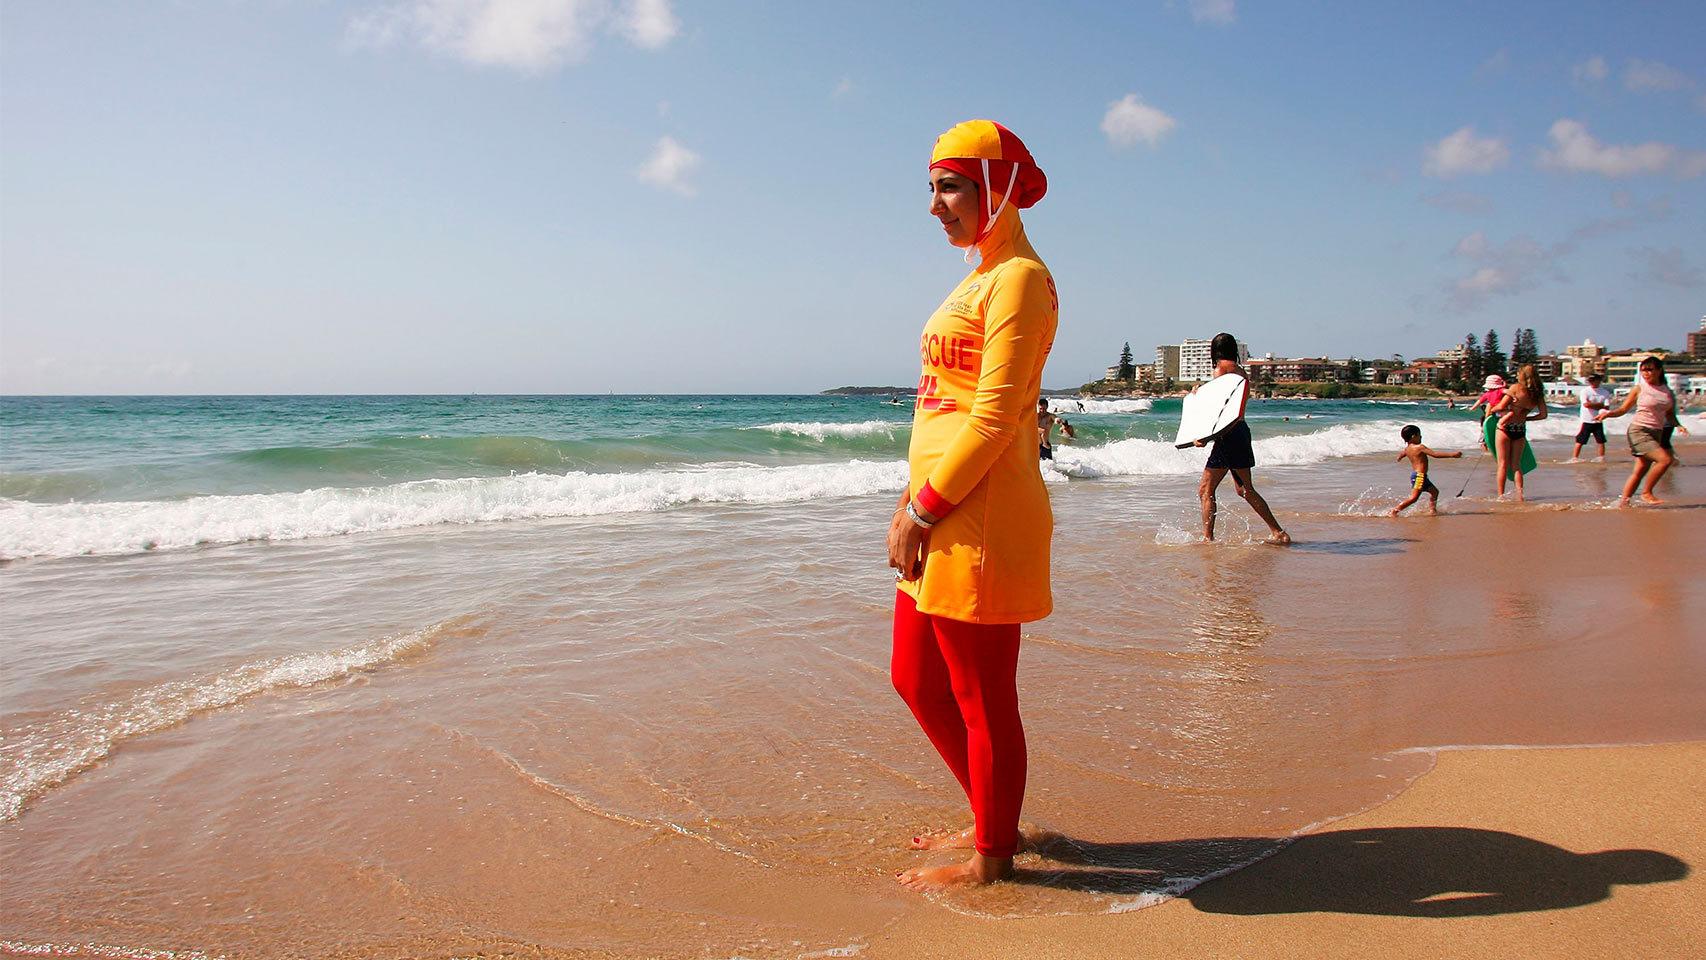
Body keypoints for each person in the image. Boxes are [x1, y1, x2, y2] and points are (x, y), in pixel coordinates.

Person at [887, 119, 1056, 891]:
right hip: (937, 507)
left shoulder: (1020, 278)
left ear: (997, 187)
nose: (935, 205)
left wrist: (922, 511)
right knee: (915, 679)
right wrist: (912, 501)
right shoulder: (977, 276)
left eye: (951, 186)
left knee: (982, 698)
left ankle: (992, 859)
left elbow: (993, 419)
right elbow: (940, 409)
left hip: (979, 516)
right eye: (932, 188)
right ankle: (995, 816)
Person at [1194, 332, 1290, 544]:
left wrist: (1205, 437)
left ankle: (1207, 539)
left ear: (1214, 351)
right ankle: (1278, 532)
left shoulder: (1220, 370)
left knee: (1205, 489)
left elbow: (1221, 410)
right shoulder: (1240, 371)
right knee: (1244, 489)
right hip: (1240, 432)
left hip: (1228, 435)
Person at [1600, 356, 1690, 506]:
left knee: (1640, 469)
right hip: (1639, 431)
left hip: (1657, 433)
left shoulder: (1667, 392)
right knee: (1665, 460)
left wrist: (1678, 425)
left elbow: (1669, 415)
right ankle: (1646, 493)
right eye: (1643, 371)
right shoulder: (1639, 388)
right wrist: (1608, 414)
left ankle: (1623, 502)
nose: (1646, 373)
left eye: (1649, 370)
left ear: (1659, 370)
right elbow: (1623, 409)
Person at [1488, 364, 1548, 502]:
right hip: (1520, 429)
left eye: (1518, 373)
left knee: (1502, 464)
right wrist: (1526, 418)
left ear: (1522, 375)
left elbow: (1501, 406)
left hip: (1505, 428)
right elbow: (1543, 415)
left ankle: (1501, 496)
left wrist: (1492, 409)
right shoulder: (1537, 394)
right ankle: (1520, 495)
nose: (1516, 375)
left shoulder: (1515, 388)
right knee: (1516, 465)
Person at [1389, 424, 1461, 516]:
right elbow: (1435, 454)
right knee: (1414, 498)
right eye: (1419, 435)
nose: (1421, 437)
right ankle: (1394, 511)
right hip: (1420, 476)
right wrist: (1452, 455)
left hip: (1420, 476)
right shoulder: (1420, 447)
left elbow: (1403, 453)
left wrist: (1400, 457)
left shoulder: (1407, 449)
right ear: (1413, 436)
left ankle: (1433, 511)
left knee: (1435, 492)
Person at [1571, 373, 1613, 462]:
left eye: (1594, 380)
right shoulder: (1585, 391)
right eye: (1590, 381)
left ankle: (1601, 458)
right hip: (1586, 419)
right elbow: (1586, 405)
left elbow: (1606, 407)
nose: (1592, 382)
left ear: (1599, 381)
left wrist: (1593, 405)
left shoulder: (1604, 392)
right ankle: (1575, 458)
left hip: (1598, 419)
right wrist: (1600, 405)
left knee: (1601, 440)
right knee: (1580, 440)